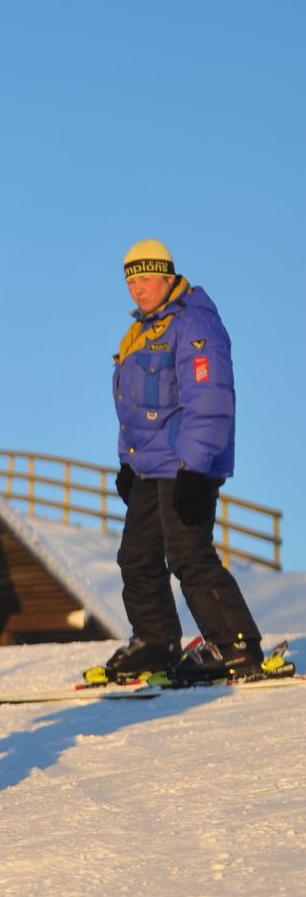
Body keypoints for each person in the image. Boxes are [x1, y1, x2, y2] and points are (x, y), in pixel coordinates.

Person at [93, 238, 264, 686]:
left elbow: (208, 398)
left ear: (168, 276)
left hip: (188, 463)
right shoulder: (143, 331)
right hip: (152, 466)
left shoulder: (194, 323)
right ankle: (156, 642)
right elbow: (136, 407)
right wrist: (128, 464)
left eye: (145, 278)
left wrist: (196, 467)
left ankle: (235, 644)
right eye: (130, 279)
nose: (137, 289)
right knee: (137, 556)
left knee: (188, 554)